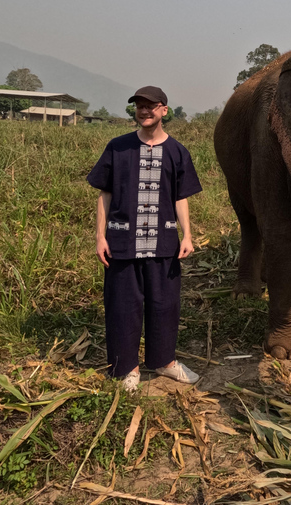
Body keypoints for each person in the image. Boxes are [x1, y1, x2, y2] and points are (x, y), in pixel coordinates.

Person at [87, 86, 202, 390]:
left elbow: (181, 197)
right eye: (139, 106)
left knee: (164, 305)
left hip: (163, 244)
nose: (144, 111)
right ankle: (127, 368)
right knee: (123, 306)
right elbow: (105, 194)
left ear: (165, 110)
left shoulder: (177, 152)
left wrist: (187, 234)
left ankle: (163, 362)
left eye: (151, 106)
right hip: (122, 244)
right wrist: (99, 236)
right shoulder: (118, 147)